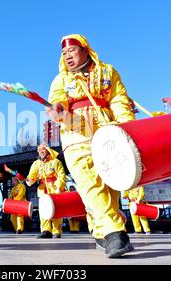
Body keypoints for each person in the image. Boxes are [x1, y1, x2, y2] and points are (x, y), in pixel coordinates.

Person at [46, 34, 136, 258]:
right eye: (64, 53)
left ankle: (99, 231)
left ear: (86, 50)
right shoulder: (61, 80)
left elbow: (119, 99)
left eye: (72, 51)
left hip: (108, 127)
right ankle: (115, 232)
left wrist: (127, 127)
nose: (67, 56)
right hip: (76, 130)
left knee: (111, 182)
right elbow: (58, 100)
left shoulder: (108, 71)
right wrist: (58, 109)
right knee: (88, 180)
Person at [26, 144, 66, 238]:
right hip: (42, 189)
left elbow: (61, 175)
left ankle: (57, 231)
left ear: (48, 150)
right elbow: (32, 175)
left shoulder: (56, 162)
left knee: (56, 210)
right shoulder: (36, 163)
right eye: (39, 150)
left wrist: (59, 187)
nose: (41, 151)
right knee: (44, 210)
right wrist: (30, 179)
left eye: (42, 149)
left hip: (54, 189)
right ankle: (46, 231)